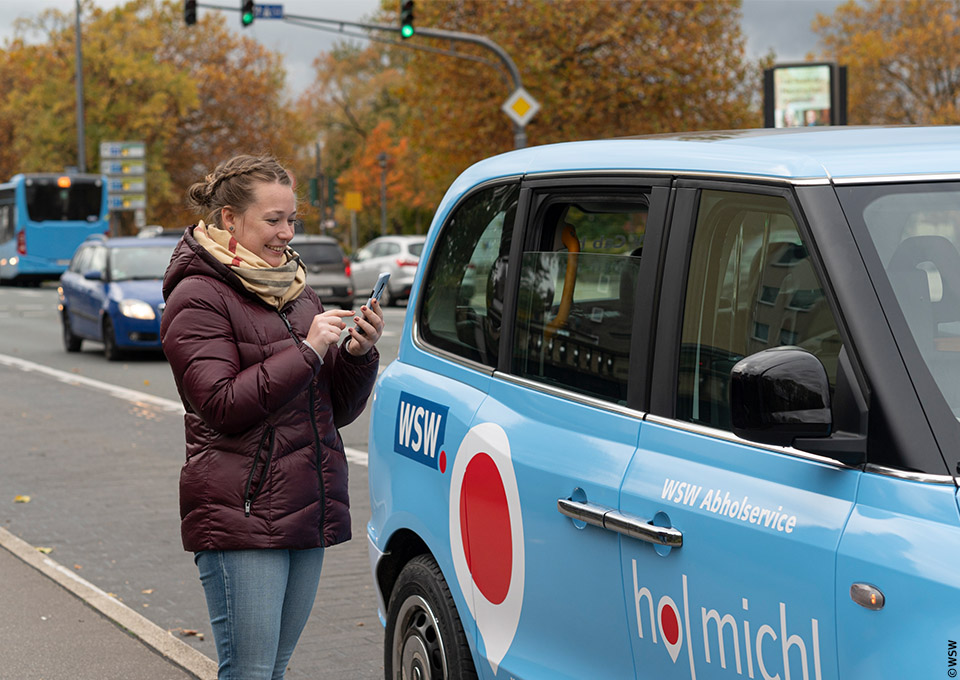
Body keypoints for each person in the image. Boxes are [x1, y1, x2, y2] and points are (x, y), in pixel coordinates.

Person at [159, 154, 383, 679]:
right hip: (243, 508)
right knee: (252, 672)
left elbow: (335, 410)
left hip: (305, 501)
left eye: (292, 220)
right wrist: (306, 351)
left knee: (272, 670)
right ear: (229, 221)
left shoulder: (294, 289)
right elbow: (221, 406)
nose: (286, 233)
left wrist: (354, 355)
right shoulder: (196, 295)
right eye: (273, 220)